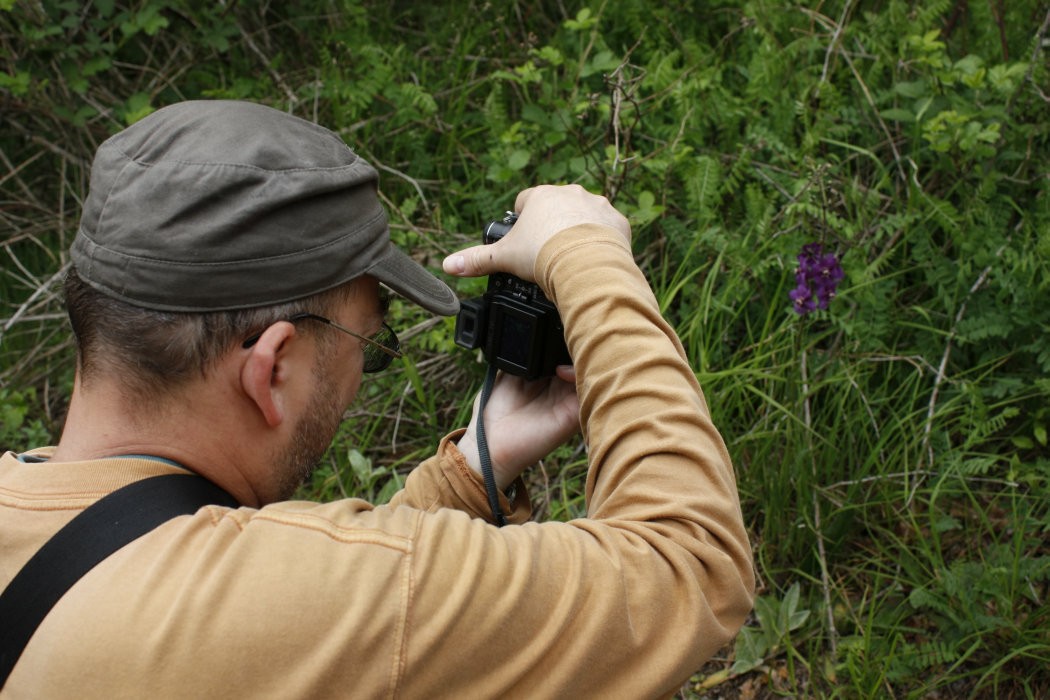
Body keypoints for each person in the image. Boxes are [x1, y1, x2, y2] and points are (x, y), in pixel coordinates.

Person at [0, 100, 754, 698]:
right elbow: (688, 566)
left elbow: (314, 620)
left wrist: (471, 470)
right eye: (372, 344)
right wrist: (587, 252)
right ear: (272, 371)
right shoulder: (275, 604)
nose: (367, 371)